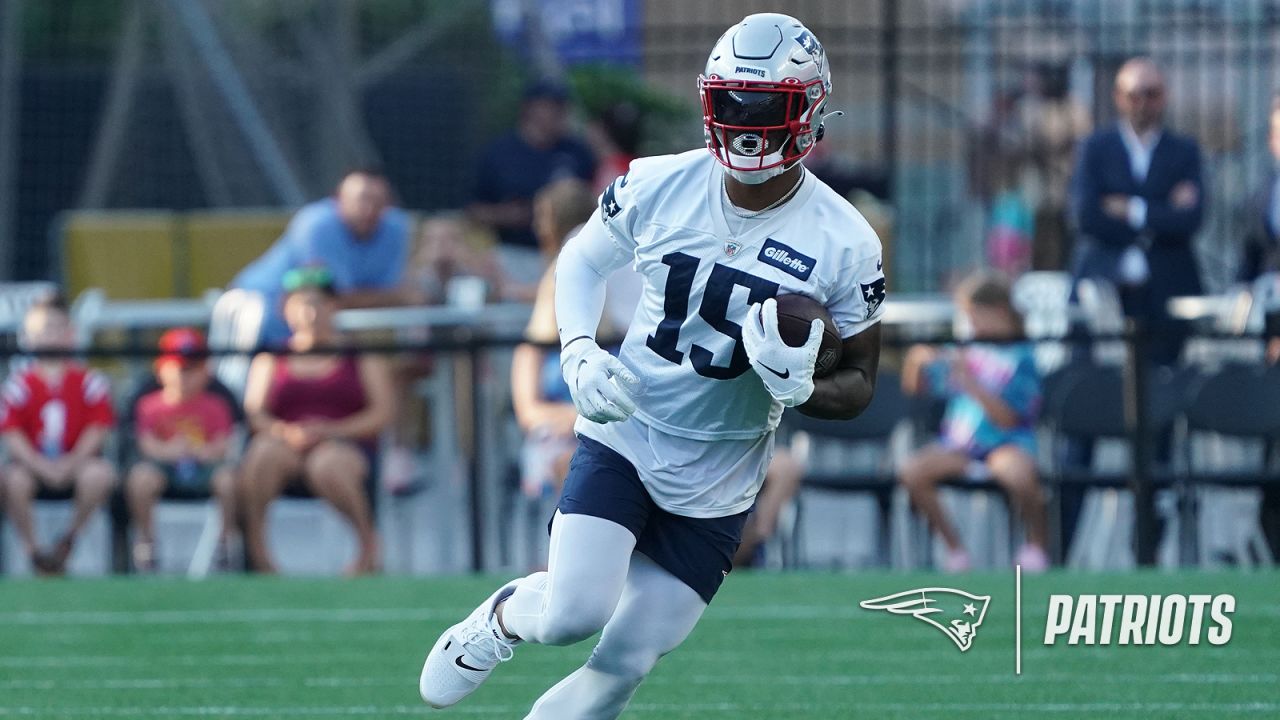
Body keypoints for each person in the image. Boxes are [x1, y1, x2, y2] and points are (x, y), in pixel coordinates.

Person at [420, 14, 884, 717]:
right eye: (731, 102)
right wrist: (577, 350)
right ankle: (500, 620)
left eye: (767, 106)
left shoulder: (845, 240)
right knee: (571, 612)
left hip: (723, 476)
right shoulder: (658, 183)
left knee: (623, 663)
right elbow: (578, 260)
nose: (747, 122)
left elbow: (861, 381)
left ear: (811, 111)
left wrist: (805, 387)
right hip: (629, 431)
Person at [238, 267, 394, 574]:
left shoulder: (361, 356)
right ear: (286, 309)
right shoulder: (271, 357)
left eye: (318, 303)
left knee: (327, 465)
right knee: (261, 456)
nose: (310, 313)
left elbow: (382, 413)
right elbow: (255, 411)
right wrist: (285, 431)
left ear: (334, 306)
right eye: (300, 304)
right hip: (286, 443)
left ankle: (367, 549)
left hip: (344, 445)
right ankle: (258, 554)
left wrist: (331, 430)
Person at [898, 272, 1049, 573]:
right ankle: (955, 551)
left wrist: (972, 382)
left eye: (976, 316)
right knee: (912, 471)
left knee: (1020, 476)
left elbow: (1009, 418)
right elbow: (917, 389)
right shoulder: (964, 349)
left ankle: (1036, 546)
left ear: (999, 312)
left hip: (1006, 444)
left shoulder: (1023, 357)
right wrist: (915, 361)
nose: (971, 325)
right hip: (960, 446)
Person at [1070, 57, 1204, 367]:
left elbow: (1192, 218)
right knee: (1098, 379)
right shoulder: (1096, 148)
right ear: (1119, 97)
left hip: (1166, 285)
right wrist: (1163, 210)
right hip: (1106, 281)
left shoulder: (1183, 150)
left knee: (1166, 377)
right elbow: (1086, 215)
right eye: (1134, 95)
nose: (1143, 103)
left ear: (1164, 96)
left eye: (1152, 94)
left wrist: (1132, 209)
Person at [0, 294, 116, 575]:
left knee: (99, 474)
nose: (49, 337)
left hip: (75, 465)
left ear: (70, 334)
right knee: (12, 481)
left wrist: (70, 463)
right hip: (33, 467)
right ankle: (35, 553)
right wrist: (40, 466)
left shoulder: (89, 382)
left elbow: (97, 429)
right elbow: (12, 433)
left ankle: (67, 542)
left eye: (55, 328)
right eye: (41, 330)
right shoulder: (19, 384)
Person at [232, 167, 411, 347]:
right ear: (339, 200)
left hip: (319, 338)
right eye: (362, 199)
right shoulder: (316, 224)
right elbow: (336, 298)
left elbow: (387, 292)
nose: (369, 209)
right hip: (256, 317)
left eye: (378, 201)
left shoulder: (397, 227)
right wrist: (397, 298)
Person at [124, 328, 241, 573]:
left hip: (204, 466)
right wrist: (171, 451)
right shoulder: (148, 404)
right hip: (164, 466)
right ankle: (146, 542)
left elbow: (224, 445)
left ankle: (225, 543)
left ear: (205, 371)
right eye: (178, 368)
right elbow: (145, 444)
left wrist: (200, 451)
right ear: (161, 369)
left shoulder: (217, 403)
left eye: (192, 369)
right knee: (141, 479)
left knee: (228, 480)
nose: (184, 376)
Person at [468, 80, 596, 287]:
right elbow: (473, 210)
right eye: (549, 105)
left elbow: (593, 199)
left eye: (560, 105)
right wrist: (505, 215)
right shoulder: (499, 153)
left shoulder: (577, 152)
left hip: (568, 251)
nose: (557, 112)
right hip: (514, 252)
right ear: (529, 108)